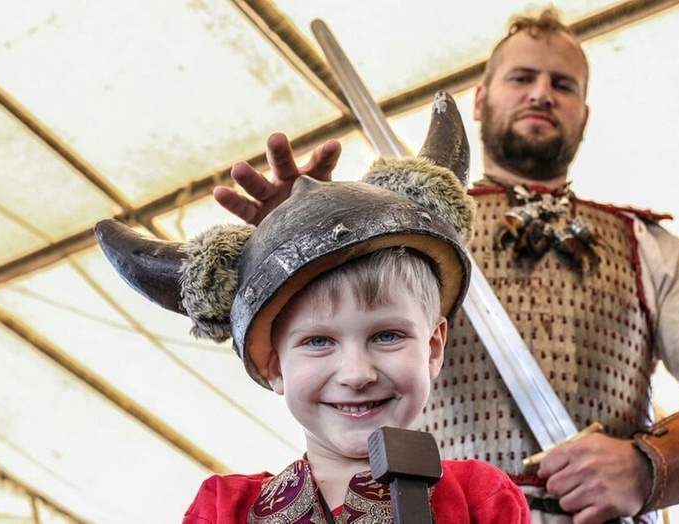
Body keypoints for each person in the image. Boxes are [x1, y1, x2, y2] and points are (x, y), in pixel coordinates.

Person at [212, 7, 679, 524]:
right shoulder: (394, 235)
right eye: (522, 78)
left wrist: (648, 464)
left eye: (563, 84)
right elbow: (320, 351)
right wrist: (303, 242)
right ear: (480, 99)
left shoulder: (650, 246)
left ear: (584, 112)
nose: (541, 94)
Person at [94, 98, 530, 522]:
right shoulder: (225, 510)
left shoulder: (482, 500)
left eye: (387, 335)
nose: (357, 374)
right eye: (318, 341)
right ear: (274, 365)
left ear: (434, 348)